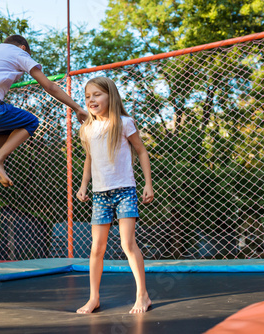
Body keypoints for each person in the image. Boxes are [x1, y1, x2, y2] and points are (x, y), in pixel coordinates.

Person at [0, 35, 87, 187]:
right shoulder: (19, 52)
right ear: (23, 48)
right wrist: (77, 108)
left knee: (12, 130)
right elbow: (49, 86)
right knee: (31, 122)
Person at [76, 77, 154, 314]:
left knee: (127, 244)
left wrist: (148, 184)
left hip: (125, 191)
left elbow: (141, 151)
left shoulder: (124, 123)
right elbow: (89, 159)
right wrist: (83, 185)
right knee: (96, 248)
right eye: (88, 96)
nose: (92, 100)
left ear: (110, 96)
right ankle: (94, 298)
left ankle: (143, 295)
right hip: (100, 194)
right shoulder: (88, 128)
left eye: (97, 94)